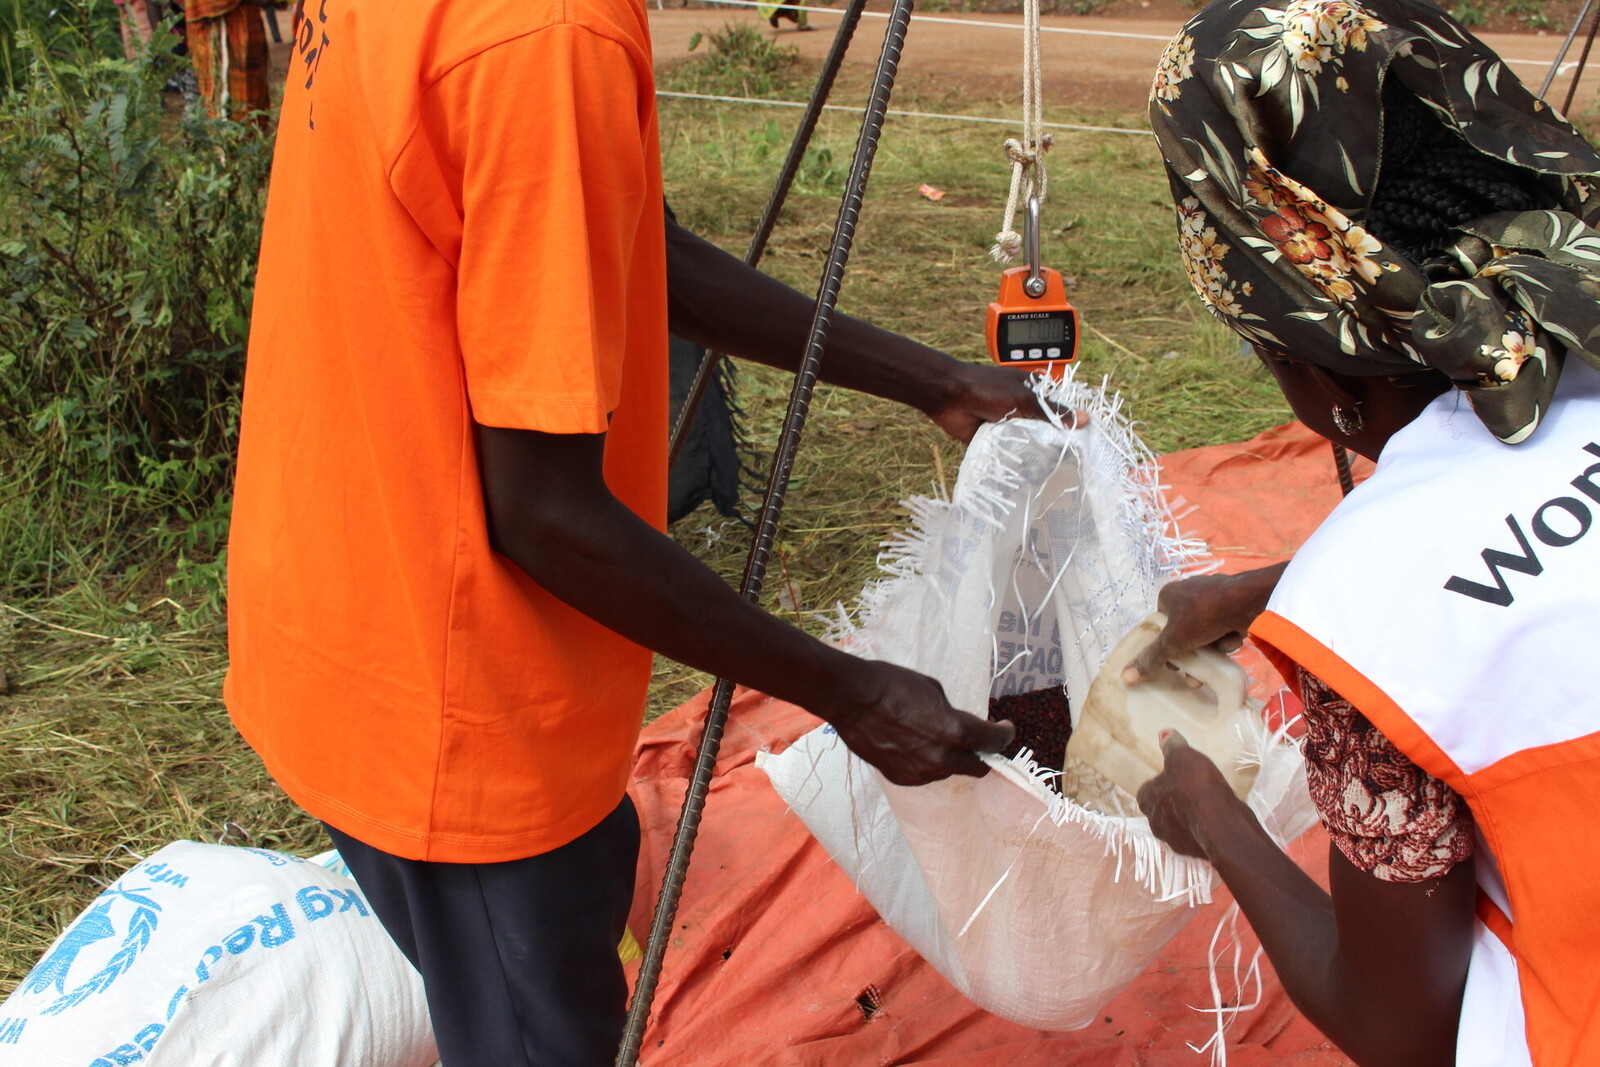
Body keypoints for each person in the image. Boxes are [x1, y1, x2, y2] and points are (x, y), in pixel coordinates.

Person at [224, 0, 1042, 1063]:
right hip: (455, 718)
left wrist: (932, 382)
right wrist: (853, 693)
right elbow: (544, 515)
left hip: (342, 603)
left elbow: (602, 237)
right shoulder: (547, 34)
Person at [1130, 1, 1600, 1065]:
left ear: (1313, 370)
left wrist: (1215, 820)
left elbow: (1400, 1026)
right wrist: (1261, 589)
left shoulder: (1365, 614)